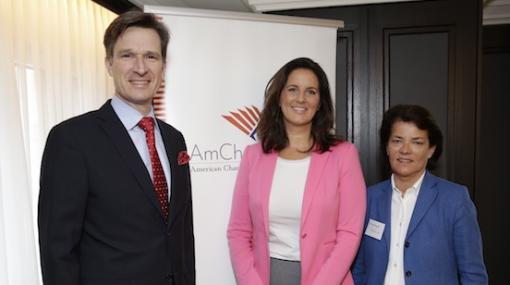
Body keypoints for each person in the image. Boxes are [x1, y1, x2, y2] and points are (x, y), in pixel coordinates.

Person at [38, 11, 195, 285]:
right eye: (127, 55)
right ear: (109, 63)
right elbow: (57, 251)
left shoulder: (174, 140)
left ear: (163, 65)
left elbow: (181, 234)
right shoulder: (72, 139)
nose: (141, 68)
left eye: (151, 56)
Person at [227, 57, 366, 285]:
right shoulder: (254, 156)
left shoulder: (344, 154)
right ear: (279, 96)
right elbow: (238, 231)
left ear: (320, 102)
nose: (301, 99)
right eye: (293, 89)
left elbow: (349, 233)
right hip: (266, 277)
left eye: (311, 92)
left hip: (327, 278)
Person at [352, 104, 488, 285]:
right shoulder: (369, 198)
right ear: (387, 146)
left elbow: (473, 274)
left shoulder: (454, 199)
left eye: (417, 142)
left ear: (431, 150)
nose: (405, 150)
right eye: (397, 140)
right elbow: (359, 268)